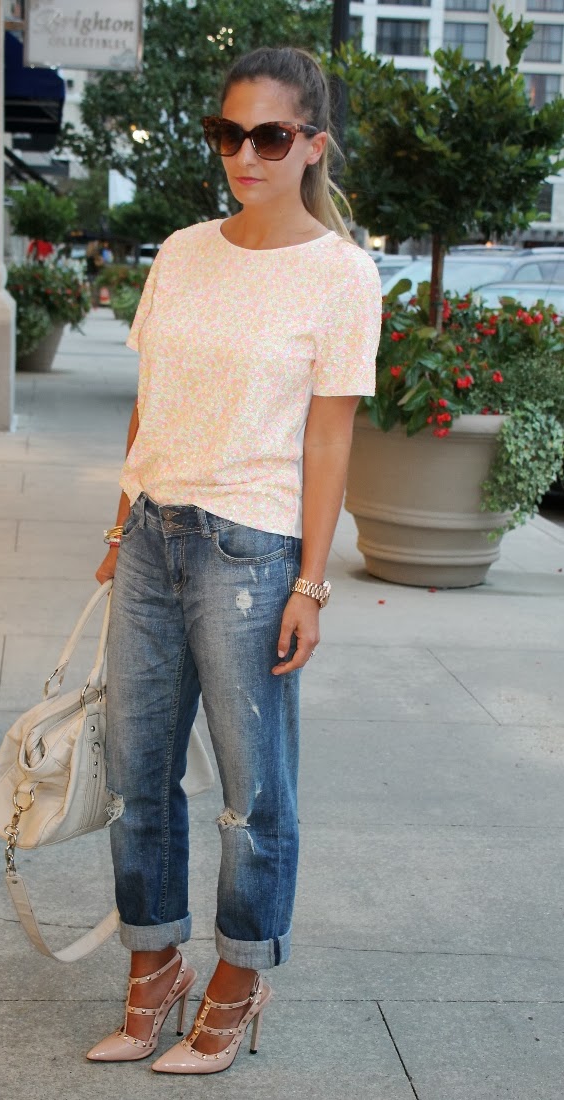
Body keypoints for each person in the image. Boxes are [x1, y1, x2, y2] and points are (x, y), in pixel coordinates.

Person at [88, 45, 381, 1074]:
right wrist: (122, 519)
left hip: (250, 552)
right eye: (227, 133)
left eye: (267, 135)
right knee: (135, 773)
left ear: (311, 144)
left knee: (253, 787)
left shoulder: (341, 275)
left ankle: (239, 972)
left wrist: (311, 579)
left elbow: (329, 436)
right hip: (154, 533)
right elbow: (148, 397)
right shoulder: (180, 250)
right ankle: (153, 962)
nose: (243, 154)